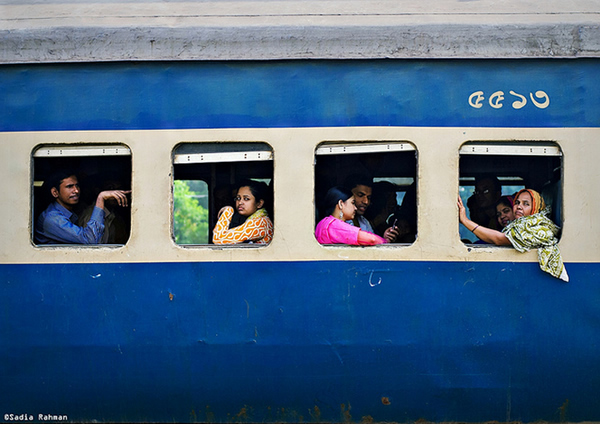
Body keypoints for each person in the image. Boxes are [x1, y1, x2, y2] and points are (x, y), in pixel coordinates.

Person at [458, 188, 568, 282]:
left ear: (536, 208)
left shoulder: (537, 228)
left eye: (526, 204)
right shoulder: (519, 226)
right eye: (517, 203)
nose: (519, 206)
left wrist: (465, 221)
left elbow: (499, 239)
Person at [35, 170, 131, 244]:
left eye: (77, 186)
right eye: (69, 187)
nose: (76, 190)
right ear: (55, 192)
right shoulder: (52, 218)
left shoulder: (69, 214)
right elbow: (90, 240)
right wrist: (101, 198)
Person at [315, 186, 386, 245]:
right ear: (341, 204)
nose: (355, 208)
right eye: (352, 203)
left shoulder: (324, 222)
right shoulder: (334, 225)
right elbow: (371, 239)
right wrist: (386, 242)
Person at [212, 179, 273, 244]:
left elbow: (218, 239)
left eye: (246, 199)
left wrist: (228, 211)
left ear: (259, 203)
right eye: (238, 198)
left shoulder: (261, 223)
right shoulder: (259, 219)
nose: (240, 202)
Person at [343, 174, 399, 242]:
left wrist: (385, 240)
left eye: (368, 198)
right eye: (360, 195)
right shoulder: (337, 223)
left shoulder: (364, 222)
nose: (366, 202)